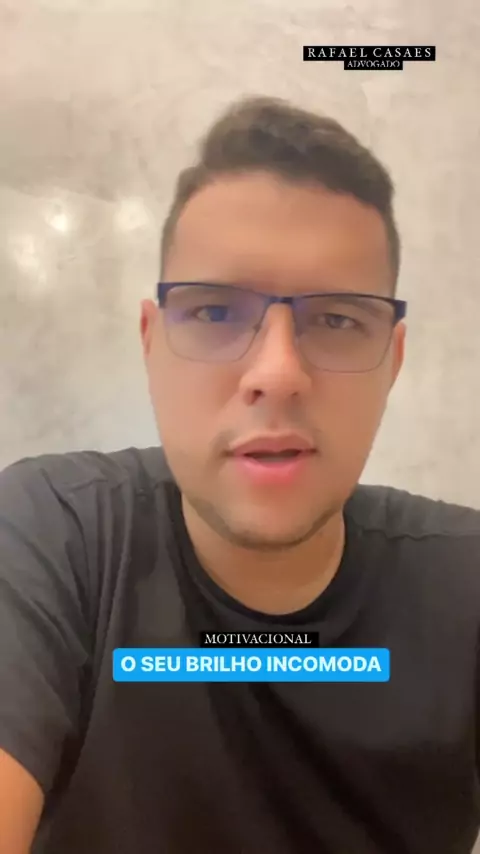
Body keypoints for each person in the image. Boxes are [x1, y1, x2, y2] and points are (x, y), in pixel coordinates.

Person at [0, 94, 479, 854]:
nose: (277, 373)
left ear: (392, 361)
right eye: (217, 312)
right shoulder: (48, 537)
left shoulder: (465, 584)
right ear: (152, 344)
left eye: (337, 319)